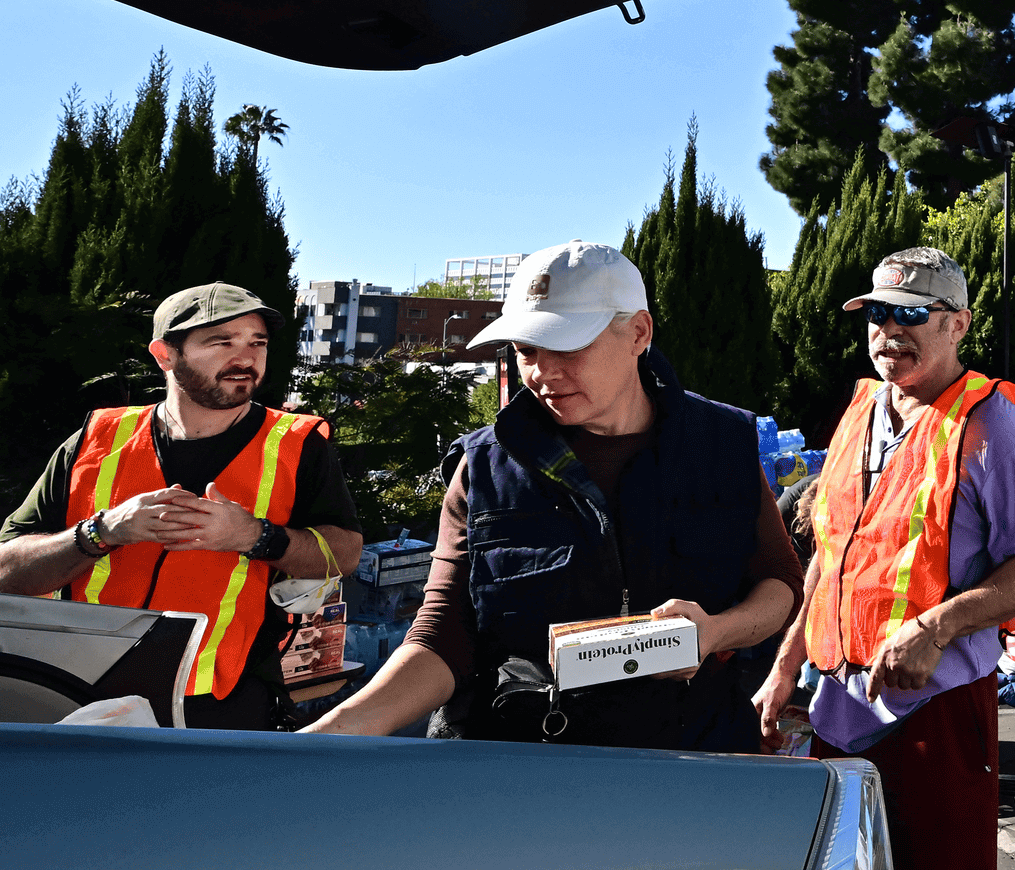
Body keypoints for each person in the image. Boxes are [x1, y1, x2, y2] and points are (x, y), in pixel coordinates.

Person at [307, 240, 801, 747]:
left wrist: (716, 631)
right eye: (526, 351)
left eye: (567, 346)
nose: (543, 372)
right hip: (523, 766)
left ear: (638, 332)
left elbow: (781, 582)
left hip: (689, 761)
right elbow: (443, 635)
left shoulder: (722, 444)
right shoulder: (484, 465)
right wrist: (329, 737)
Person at [754, 247, 1015, 870]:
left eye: (911, 314)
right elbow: (830, 554)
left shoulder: (994, 430)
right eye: (876, 315)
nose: (889, 331)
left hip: (934, 709)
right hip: (835, 705)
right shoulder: (860, 412)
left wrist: (934, 627)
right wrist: (787, 662)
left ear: (958, 324)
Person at [0, 283, 363, 730]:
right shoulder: (97, 439)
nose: (245, 358)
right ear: (165, 354)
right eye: (221, 342)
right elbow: (6, 575)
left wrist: (254, 536)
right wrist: (103, 531)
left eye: (256, 342)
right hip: (80, 696)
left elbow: (343, 557)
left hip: (223, 707)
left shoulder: (299, 444)